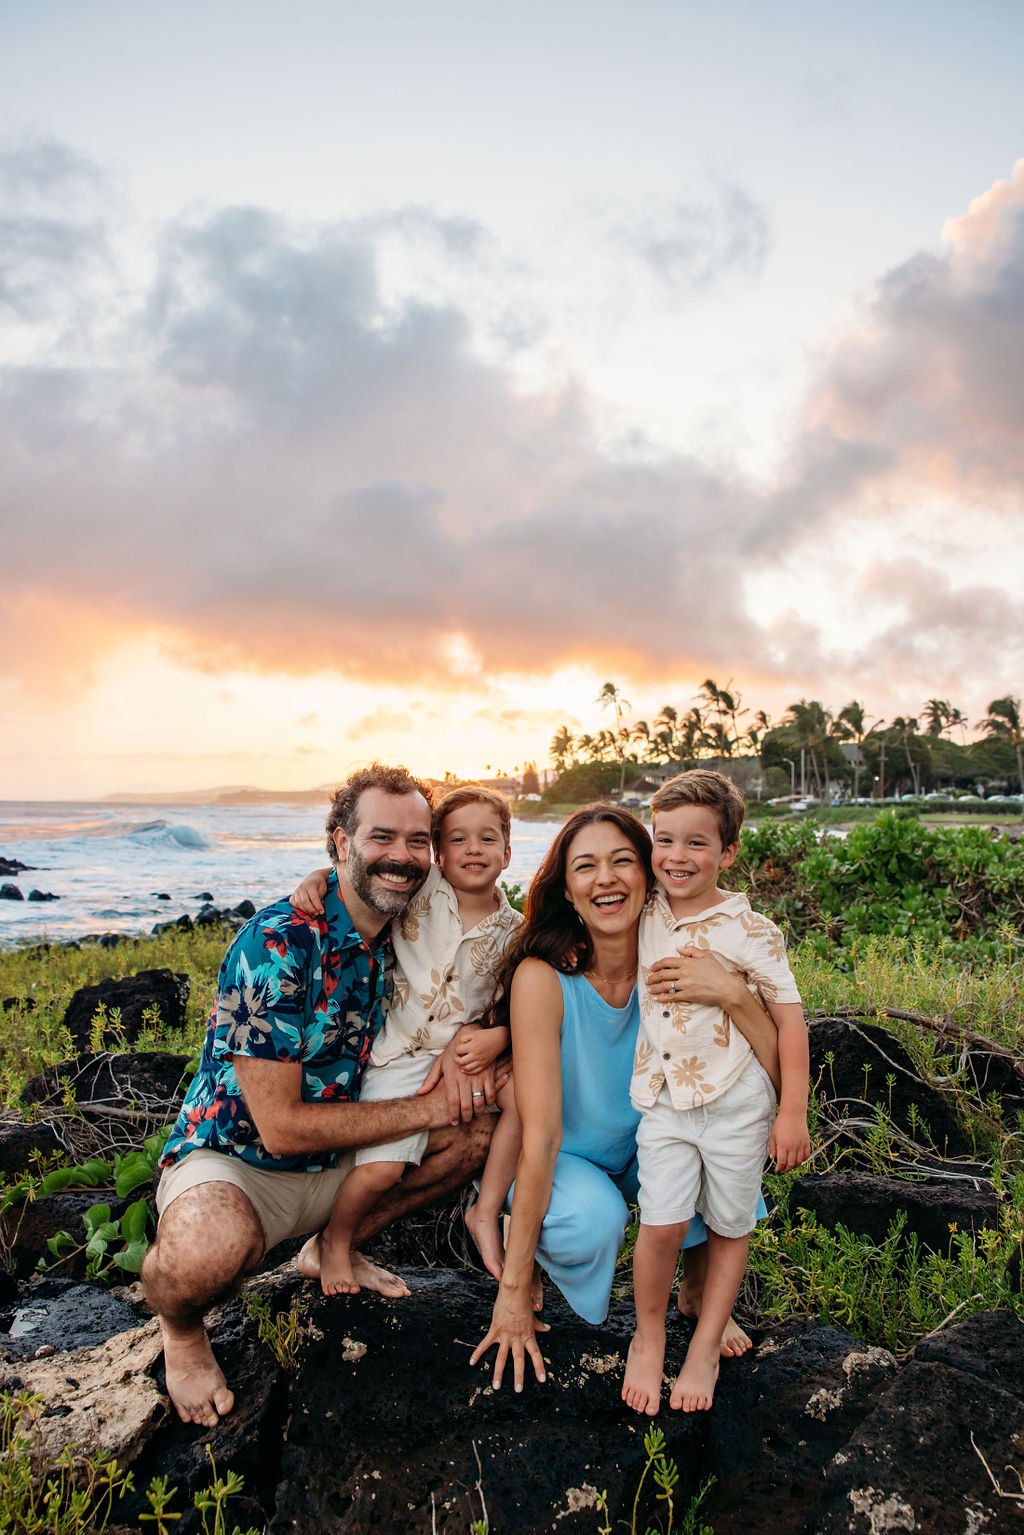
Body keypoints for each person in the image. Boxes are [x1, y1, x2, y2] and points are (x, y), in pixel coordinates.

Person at [142, 764, 498, 1429]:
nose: (401, 856)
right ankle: (181, 1330)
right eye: (381, 837)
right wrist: (426, 1108)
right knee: (206, 1249)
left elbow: (482, 953)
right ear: (338, 841)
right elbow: (278, 1127)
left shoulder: (411, 926)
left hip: (342, 1158)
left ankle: (331, 1245)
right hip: (240, 1159)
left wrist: (483, 1042)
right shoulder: (277, 942)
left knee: (479, 1126)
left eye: (418, 840)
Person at [470, 804, 786, 1394]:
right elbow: (539, 1136)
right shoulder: (544, 977)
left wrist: (734, 996)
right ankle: (538, 1248)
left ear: (648, 872)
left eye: (622, 861)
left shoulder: (685, 954)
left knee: (705, 1140)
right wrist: (511, 1291)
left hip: (655, 1140)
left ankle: (694, 1289)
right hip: (572, 1159)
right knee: (593, 1222)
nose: (606, 879)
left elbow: (768, 1066)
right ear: (567, 889)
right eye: (585, 866)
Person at [622, 770, 810, 1416]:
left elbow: (790, 1021)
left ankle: (702, 1346)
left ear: (728, 852)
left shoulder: (751, 929)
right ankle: (649, 1336)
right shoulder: (645, 906)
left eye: (697, 843)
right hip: (666, 1098)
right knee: (663, 1221)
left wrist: (792, 1113)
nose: (677, 856)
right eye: (664, 839)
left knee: (731, 1223)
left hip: (737, 1100)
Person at [287, 786, 523, 1295]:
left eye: (488, 839)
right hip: (394, 1055)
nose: (474, 849)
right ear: (439, 852)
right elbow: (371, 874)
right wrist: (319, 877)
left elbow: (520, 1001)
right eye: (458, 839)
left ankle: (489, 1211)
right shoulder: (425, 888)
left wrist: (497, 1036)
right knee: (382, 1170)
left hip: (451, 1060)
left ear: (508, 852)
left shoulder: (516, 931)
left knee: (519, 1101)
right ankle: (336, 1242)